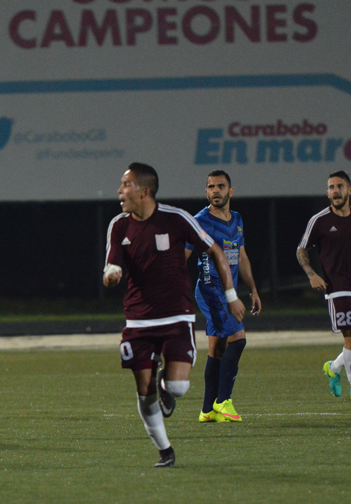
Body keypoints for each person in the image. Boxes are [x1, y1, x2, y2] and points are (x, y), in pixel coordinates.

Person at [104, 162, 245, 468]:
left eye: (125, 185)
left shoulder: (177, 219)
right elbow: (112, 264)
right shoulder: (119, 225)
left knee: (178, 387)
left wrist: (232, 295)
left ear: (144, 191)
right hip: (138, 320)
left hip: (177, 316)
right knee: (144, 391)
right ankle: (165, 449)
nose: (119, 191)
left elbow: (216, 252)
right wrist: (111, 275)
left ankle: (168, 389)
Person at [297, 170, 351, 401]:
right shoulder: (320, 220)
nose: (336, 191)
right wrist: (311, 274)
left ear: (349, 190)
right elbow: (301, 249)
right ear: (327, 193)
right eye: (332, 187)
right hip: (337, 287)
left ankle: (333, 367)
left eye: (340, 186)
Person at [185, 170, 262, 423]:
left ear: (231, 191)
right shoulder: (199, 221)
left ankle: (207, 410)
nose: (215, 190)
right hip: (210, 290)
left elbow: (241, 256)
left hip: (228, 292)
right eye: (210, 187)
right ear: (206, 192)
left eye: (220, 186)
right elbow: (181, 257)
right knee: (238, 339)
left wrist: (252, 289)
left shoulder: (237, 219)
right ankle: (223, 401)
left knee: (217, 350)